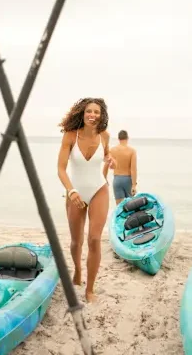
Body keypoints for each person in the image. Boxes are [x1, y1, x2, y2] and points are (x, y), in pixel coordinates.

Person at [57, 97, 116, 303]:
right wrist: (71, 191)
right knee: (77, 241)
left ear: (102, 116)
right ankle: (78, 269)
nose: (93, 115)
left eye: (97, 112)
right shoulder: (70, 136)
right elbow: (61, 169)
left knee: (94, 239)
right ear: (82, 113)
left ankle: (90, 290)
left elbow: (106, 155)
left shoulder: (105, 136)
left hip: (99, 188)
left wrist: (110, 160)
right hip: (76, 192)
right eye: (89, 111)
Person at [104, 129, 137, 205]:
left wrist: (105, 179)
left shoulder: (112, 150)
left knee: (119, 208)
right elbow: (133, 170)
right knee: (130, 207)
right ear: (127, 138)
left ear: (118, 139)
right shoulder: (132, 151)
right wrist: (134, 185)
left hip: (117, 180)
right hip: (127, 180)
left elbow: (105, 166)